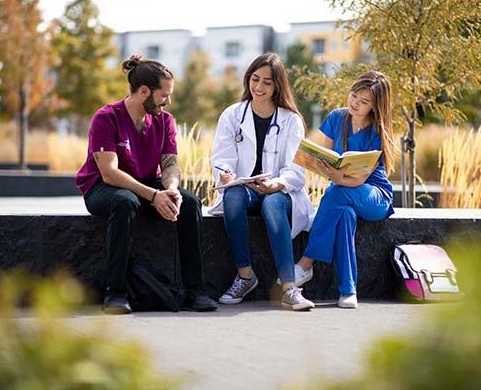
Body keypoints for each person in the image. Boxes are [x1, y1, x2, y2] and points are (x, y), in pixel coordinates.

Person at [75, 55, 218, 314]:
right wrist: (153, 195)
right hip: (102, 188)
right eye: (164, 95)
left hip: (146, 186)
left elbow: (170, 164)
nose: (168, 101)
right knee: (125, 201)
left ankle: (196, 291)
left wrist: (171, 189)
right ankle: (116, 292)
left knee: (189, 203)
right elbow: (109, 173)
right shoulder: (106, 117)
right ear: (144, 92)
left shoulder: (165, 120)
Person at [210, 53, 315, 311]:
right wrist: (225, 173)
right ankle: (246, 276)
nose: (258, 87)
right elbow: (222, 158)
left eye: (267, 82)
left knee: (272, 205)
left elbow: (296, 171)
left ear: (278, 85)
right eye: (254, 79)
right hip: (245, 190)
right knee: (232, 198)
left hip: (280, 191)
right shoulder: (232, 115)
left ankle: (290, 288)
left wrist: (276, 184)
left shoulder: (291, 120)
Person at [293, 71, 396, 309]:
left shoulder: (377, 132)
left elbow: (357, 181)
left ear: (375, 106)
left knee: (336, 193)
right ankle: (348, 291)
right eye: (354, 95)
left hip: (374, 196)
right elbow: (328, 158)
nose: (355, 103)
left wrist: (335, 176)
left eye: (364, 101)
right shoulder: (337, 118)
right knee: (345, 215)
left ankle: (306, 263)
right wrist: (323, 166)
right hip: (341, 193)